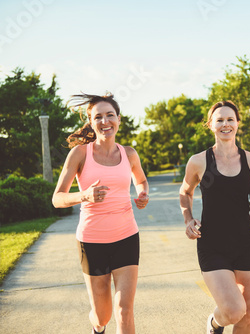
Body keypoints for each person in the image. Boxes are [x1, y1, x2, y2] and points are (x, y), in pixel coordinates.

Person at [52, 93, 149, 334]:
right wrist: (83, 195)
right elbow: (57, 199)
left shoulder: (129, 154)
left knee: (124, 309)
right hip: (92, 240)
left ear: (118, 119)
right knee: (102, 315)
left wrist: (142, 194)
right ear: (91, 122)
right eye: (98, 117)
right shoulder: (79, 154)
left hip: (126, 236)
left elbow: (141, 181)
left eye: (109, 115)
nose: (105, 121)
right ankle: (97, 326)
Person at [179, 101, 250, 334]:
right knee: (234, 311)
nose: (225, 124)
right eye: (220, 120)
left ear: (237, 123)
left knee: (248, 312)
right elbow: (185, 191)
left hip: (246, 244)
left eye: (230, 119)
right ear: (211, 125)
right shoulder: (199, 161)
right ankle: (215, 323)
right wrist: (188, 219)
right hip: (212, 245)